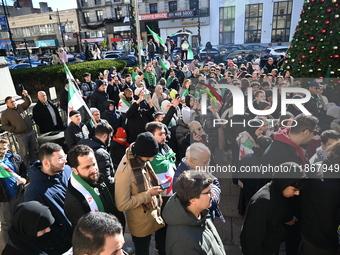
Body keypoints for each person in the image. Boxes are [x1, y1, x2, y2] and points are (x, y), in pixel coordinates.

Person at [240, 164, 308, 255]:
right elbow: (251, 242)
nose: (297, 193)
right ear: (284, 183)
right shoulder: (263, 203)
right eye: (294, 189)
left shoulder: (278, 193)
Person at [115, 132, 164, 255]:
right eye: (149, 157)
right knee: (142, 251)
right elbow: (121, 204)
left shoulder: (138, 157)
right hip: (140, 223)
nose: (151, 160)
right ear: (140, 153)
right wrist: (149, 194)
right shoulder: (124, 173)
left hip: (151, 214)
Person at [163, 170, 226, 255]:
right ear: (192, 200)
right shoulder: (184, 245)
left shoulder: (201, 213)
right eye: (208, 192)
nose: (212, 195)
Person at [24, 142, 72, 253]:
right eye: (60, 159)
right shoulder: (34, 193)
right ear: (46, 163)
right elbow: (41, 227)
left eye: (64, 156)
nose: (65, 161)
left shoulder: (67, 170)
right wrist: (64, 239)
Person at [64, 144, 125, 230]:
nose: (94, 169)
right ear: (75, 170)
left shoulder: (96, 177)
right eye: (87, 167)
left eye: (94, 164)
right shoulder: (74, 202)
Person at [301, 140, 340, 255]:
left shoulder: (317, 167)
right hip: (323, 240)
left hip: (309, 232)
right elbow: (327, 218)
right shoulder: (331, 185)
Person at [0, 137, 26, 246]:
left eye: (4, 148)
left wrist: (24, 179)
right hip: (4, 199)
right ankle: (5, 248)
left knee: (22, 219)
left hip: (18, 194)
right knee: (6, 225)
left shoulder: (15, 157)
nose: (2, 151)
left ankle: (23, 242)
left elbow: (23, 170)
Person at [1, 91, 37, 167]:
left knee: (33, 148)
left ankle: (35, 163)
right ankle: (27, 167)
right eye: (11, 102)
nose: (13, 103)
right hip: (20, 135)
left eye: (14, 101)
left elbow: (28, 102)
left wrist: (26, 95)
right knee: (24, 152)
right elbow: (4, 126)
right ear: (7, 104)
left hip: (30, 131)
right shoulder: (5, 114)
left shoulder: (20, 107)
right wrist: (15, 129)